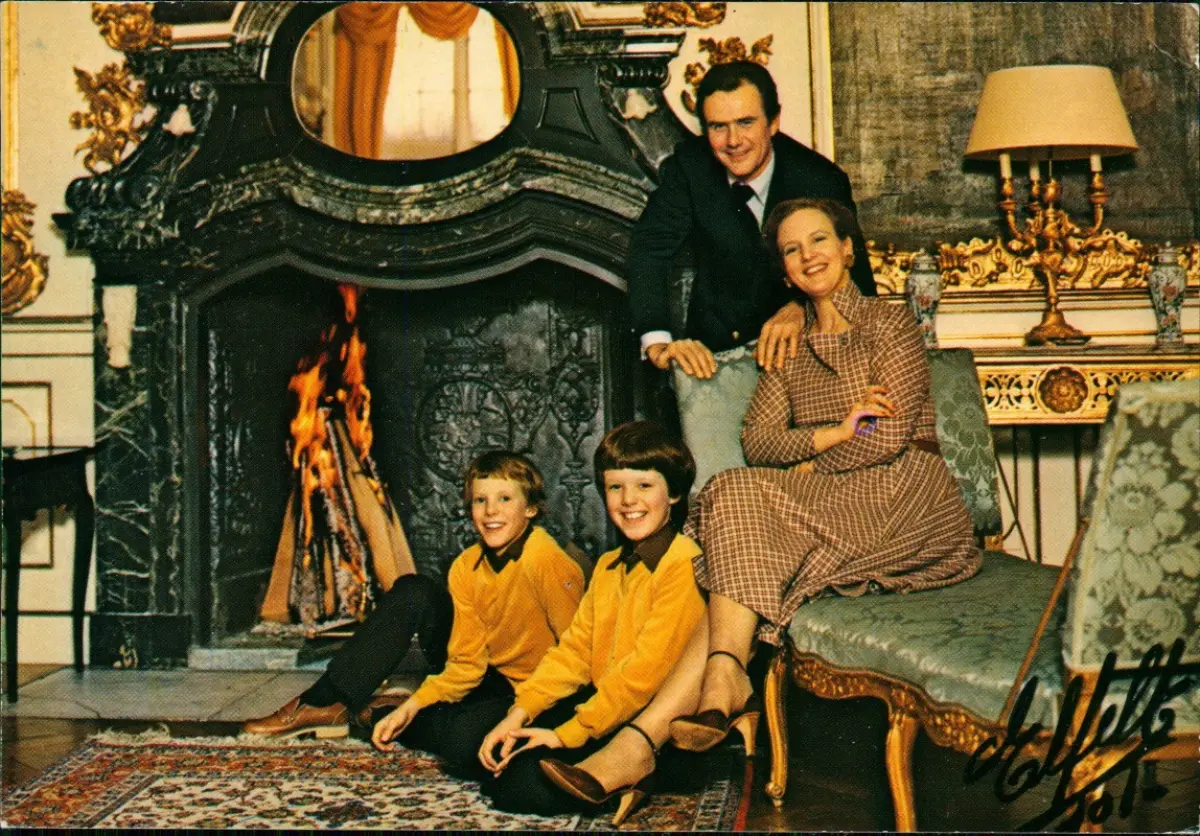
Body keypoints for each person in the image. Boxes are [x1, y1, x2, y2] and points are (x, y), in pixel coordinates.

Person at [541, 199, 980, 797]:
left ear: (848, 249)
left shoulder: (890, 322)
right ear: (785, 271)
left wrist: (820, 456)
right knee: (734, 503)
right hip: (833, 502)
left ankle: (657, 730)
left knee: (737, 519)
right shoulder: (788, 342)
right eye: (792, 250)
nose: (808, 256)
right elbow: (760, 441)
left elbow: (889, 434)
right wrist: (834, 433)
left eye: (819, 240)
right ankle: (690, 705)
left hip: (908, 496)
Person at [243, 451, 585, 782]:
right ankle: (324, 701)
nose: (490, 511)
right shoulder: (466, 565)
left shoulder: (549, 563)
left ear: (530, 508)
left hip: (535, 692)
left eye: (505, 499)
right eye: (480, 500)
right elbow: (466, 664)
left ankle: (389, 710)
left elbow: (576, 660)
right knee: (414, 590)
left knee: (461, 744)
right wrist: (417, 704)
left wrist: (522, 711)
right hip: (487, 677)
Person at [475, 421, 706, 824]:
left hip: (653, 729)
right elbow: (574, 653)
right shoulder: (609, 565)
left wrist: (565, 734)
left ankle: (638, 777)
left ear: (673, 493)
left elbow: (642, 677)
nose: (628, 500)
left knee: (517, 784)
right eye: (616, 487)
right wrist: (519, 713)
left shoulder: (683, 562)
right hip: (604, 709)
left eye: (644, 486)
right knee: (488, 744)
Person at [628, 61, 877, 381]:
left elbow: (859, 281)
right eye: (718, 127)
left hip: (806, 361)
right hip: (716, 364)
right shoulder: (690, 169)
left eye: (745, 122)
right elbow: (649, 248)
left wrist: (805, 308)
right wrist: (657, 342)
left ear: (773, 122)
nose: (733, 141)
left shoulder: (820, 179)